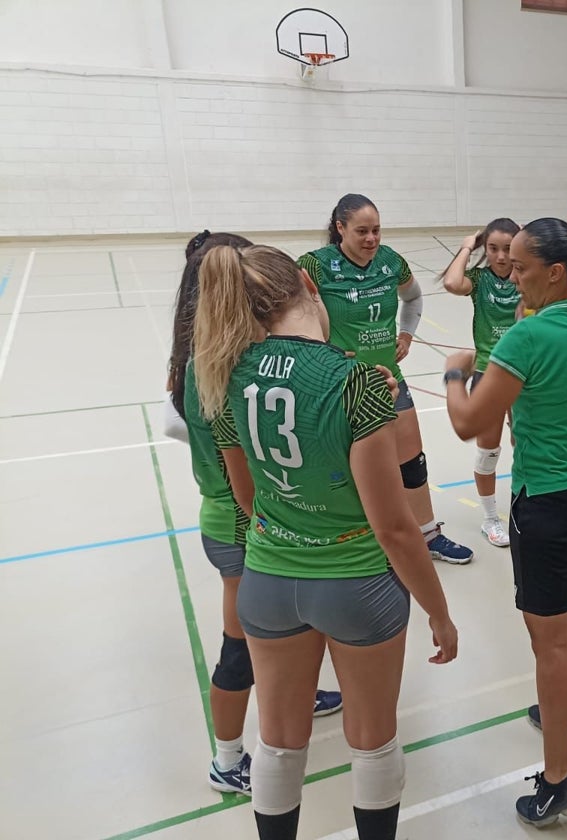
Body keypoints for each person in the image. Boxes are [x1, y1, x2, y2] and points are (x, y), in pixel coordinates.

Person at [193, 243, 458, 840]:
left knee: (280, 742)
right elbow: (394, 527)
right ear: (312, 291)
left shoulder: (225, 373)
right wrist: (439, 613)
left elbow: (246, 498)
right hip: (356, 584)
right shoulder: (359, 383)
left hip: (265, 582)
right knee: (373, 739)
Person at [442, 218, 567, 827]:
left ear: (555, 272)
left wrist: (453, 372)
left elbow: (469, 422)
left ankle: (559, 782)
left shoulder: (526, 340)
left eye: (520, 267)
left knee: (548, 641)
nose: (510, 274)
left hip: (546, 500)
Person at [167, 231, 343, 795]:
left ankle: (298, 692)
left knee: (285, 627)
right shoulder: (229, 367)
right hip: (243, 522)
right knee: (239, 645)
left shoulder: (200, 362)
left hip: (232, 515)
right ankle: (227, 758)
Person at [298, 194, 474, 565]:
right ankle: (355, 540)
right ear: (340, 228)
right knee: (347, 467)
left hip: (389, 378)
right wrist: (323, 354)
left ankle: (427, 534)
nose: (371, 239)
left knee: (412, 462)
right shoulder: (315, 266)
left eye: (376, 230)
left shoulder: (390, 261)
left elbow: (413, 299)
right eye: (362, 231)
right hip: (340, 384)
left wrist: (407, 334)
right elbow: (293, 318)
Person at [440, 218, 522, 547]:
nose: (501, 256)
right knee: (488, 452)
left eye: (507, 249)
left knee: (525, 447)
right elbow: (451, 282)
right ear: (484, 249)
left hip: (524, 372)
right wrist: (466, 245)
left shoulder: (525, 276)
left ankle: (522, 509)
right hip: (488, 373)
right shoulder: (480, 279)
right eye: (493, 248)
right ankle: (490, 519)